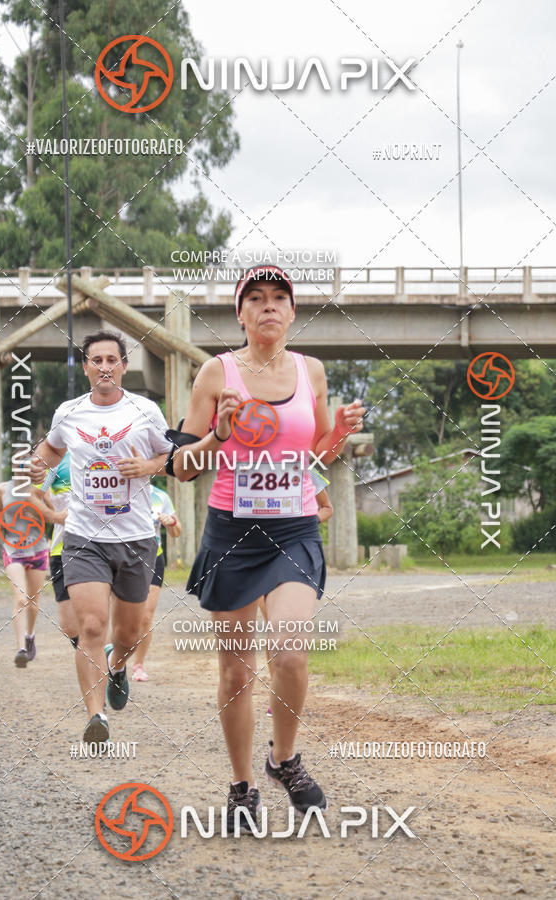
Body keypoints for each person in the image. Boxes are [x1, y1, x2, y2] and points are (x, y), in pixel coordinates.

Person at [172, 265, 365, 830]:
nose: (268, 307)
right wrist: (219, 436)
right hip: (233, 531)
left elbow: (318, 453)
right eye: (255, 298)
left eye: (279, 297)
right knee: (236, 671)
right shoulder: (216, 372)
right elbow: (182, 467)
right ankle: (242, 785)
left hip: (293, 529)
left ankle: (284, 759)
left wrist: (344, 431)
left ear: (292, 311)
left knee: (289, 651)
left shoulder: (313, 372)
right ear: (240, 313)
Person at [29, 330, 171, 746]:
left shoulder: (145, 411)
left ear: (124, 366)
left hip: (136, 538)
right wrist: (38, 468)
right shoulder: (69, 413)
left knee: (128, 634)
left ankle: (120, 665)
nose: (105, 367)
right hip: (84, 536)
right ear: (87, 366)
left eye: (113, 360)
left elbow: (172, 457)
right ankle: (96, 716)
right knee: (92, 626)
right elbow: (50, 453)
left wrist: (146, 466)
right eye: (97, 360)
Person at [260, 468, 333, 716]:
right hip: (261, 554)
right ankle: (277, 693)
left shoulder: (307, 471)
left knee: (288, 629)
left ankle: (287, 690)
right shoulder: (254, 470)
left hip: (296, 551)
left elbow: (327, 508)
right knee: (273, 628)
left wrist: (302, 523)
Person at [130, 484, 181, 682]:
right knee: (120, 616)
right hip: (121, 559)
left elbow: (177, 531)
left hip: (153, 559)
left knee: (145, 616)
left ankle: (138, 665)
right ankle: (112, 662)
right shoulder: (120, 490)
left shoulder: (160, 496)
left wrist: (171, 521)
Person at [0, 478, 48, 667]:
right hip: (13, 549)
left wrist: (41, 515)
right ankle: (21, 649)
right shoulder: (2, 489)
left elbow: (54, 514)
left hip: (38, 549)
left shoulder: (39, 490)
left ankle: (30, 635)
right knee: (21, 599)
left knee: (33, 603)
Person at [31, 451, 80, 648]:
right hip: (63, 549)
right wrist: (55, 517)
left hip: (101, 546)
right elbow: (33, 496)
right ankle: (99, 660)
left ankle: (107, 669)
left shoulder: (107, 453)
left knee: (96, 621)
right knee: (69, 625)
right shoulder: (56, 463)